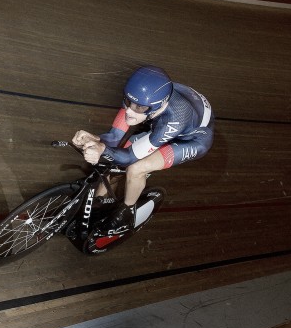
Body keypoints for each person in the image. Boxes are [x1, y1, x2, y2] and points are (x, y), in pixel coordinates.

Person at [72, 65, 214, 232]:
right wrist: (95, 139)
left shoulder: (173, 120)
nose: (129, 111)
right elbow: (114, 137)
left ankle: (127, 210)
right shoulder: (141, 97)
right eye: (126, 101)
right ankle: (99, 205)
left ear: (155, 106)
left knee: (136, 168)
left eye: (138, 108)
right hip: (165, 118)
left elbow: (130, 157)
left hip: (193, 139)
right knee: (117, 161)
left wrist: (102, 149)